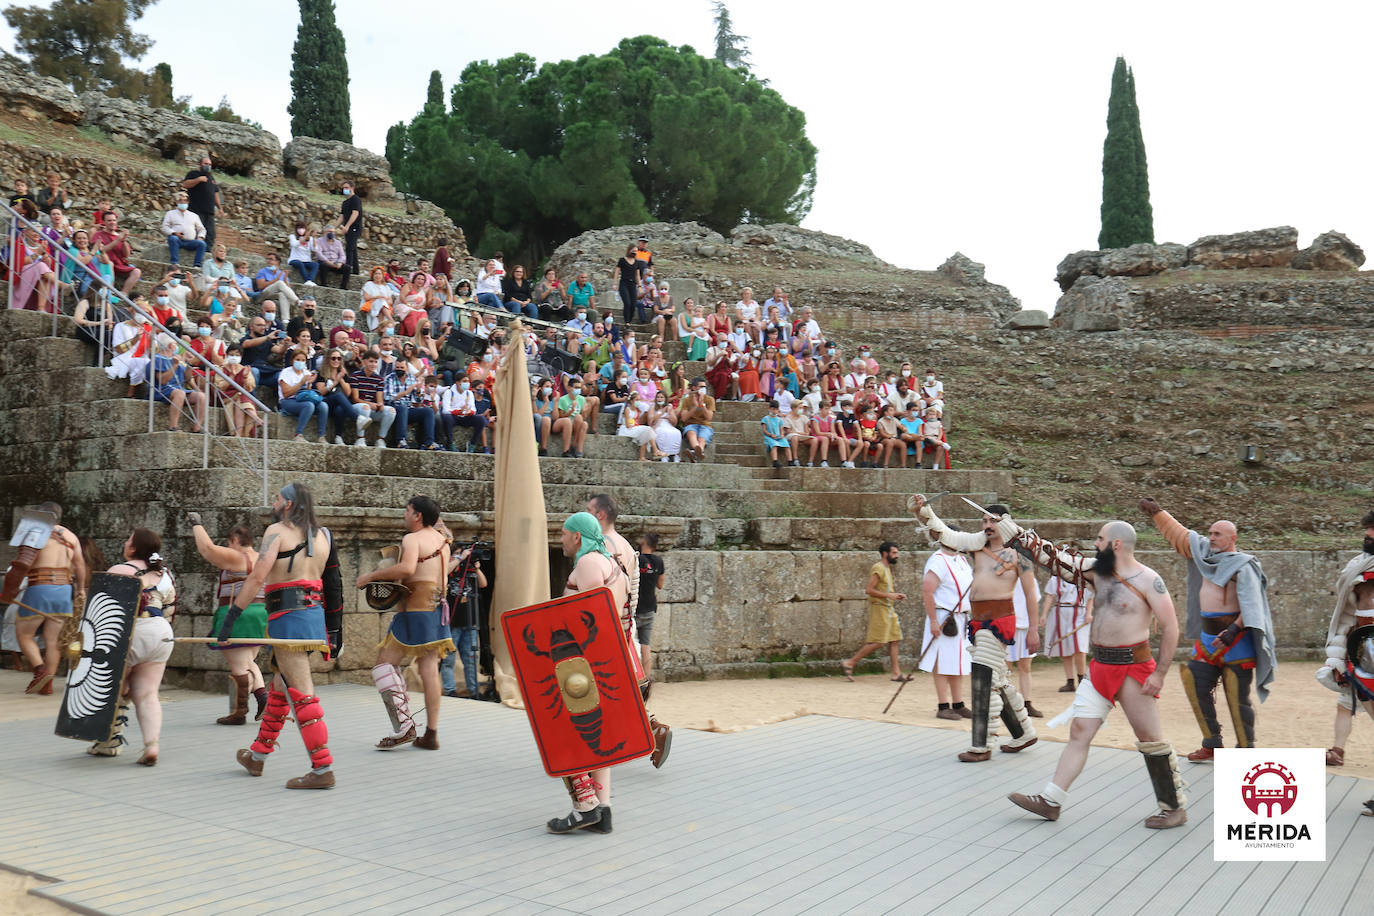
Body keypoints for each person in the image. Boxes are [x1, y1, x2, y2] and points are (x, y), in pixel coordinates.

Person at [1003, 516, 1187, 830]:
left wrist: (1160, 674)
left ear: (1116, 544)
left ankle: (1173, 807)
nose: (1095, 544)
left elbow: (1170, 628)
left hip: (1133, 668)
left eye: (1100, 540)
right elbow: (1058, 560)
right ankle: (1051, 801)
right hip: (1100, 666)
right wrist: (1020, 536)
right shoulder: (1096, 574)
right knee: (1079, 732)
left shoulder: (1148, 579)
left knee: (1150, 740)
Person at [221, 482, 341, 788]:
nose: (274, 502)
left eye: (277, 498)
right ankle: (257, 756)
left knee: (302, 692)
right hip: (313, 619)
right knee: (280, 687)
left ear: (288, 504)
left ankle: (322, 767)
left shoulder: (277, 531)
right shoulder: (324, 535)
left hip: (289, 620)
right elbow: (332, 583)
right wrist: (335, 629)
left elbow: (258, 576)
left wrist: (232, 615)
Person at [1141, 498, 1277, 761]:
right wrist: (1158, 513)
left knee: (1238, 699)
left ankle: (1245, 751)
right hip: (1206, 638)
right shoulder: (1203, 554)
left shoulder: (1243, 565)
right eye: (1211, 533)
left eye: (1218, 534)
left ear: (1232, 538)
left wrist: (1232, 632)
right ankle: (1212, 743)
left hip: (1236, 641)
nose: (1212, 537)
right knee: (1195, 684)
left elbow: (1253, 605)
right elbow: (1181, 535)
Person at [910, 495, 1038, 761]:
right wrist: (924, 510)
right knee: (996, 679)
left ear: (1006, 523)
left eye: (992, 520)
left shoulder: (1019, 555)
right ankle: (1024, 731)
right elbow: (945, 534)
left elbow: (1030, 596)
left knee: (983, 679)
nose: (987, 524)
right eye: (984, 520)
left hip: (1000, 619)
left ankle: (982, 745)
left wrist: (1034, 629)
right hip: (977, 620)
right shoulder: (977, 546)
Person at [547, 512, 631, 834]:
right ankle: (603, 808)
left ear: (577, 537)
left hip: (585, 665)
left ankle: (584, 806)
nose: (561, 539)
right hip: (610, 661)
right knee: (601, 739)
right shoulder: (614, 564)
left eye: (564, 534)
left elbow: (593, 616)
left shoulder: (587, 564)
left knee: (563, 729)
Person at [357, 496, 453, 750]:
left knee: (383, 665)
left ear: (417, 515)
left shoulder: (412, 539)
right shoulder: (443, 540)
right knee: (430, 669)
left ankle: (404, 728)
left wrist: (371, 576)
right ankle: (431, 733)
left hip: (414, 611)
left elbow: (407, 568)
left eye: (407, 510)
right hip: (437, 610)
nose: (404, 514)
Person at [587, 494, 671, 768]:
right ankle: (650, 729)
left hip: (605, 630)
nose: (586, 514)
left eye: (589, 510)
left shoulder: (603, 546)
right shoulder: (624, 544)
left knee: (595, 691)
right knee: (616, 692)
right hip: (622, 626)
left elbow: (605, 594)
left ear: (600, 515)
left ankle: (600, 748)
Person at [102, 528, 177, 766]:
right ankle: (151, 746)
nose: (125, 542)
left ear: (133, 548)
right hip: (161, 632)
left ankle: (109, 742)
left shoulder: (120, 570)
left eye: (128, 539)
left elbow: (104, 609)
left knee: (115, 688)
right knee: (147, 695)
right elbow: (170, 608)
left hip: (134, 629)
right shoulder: (164, 574)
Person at [189, 514, 269, 725]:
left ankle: (239, 711)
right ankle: (262, 700)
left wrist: (197, 524)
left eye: (229, 543)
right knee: (248, 662)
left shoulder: (237, 557)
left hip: (238, 614)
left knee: (239, 666)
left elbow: (207, 549)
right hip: (260, 614)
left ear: (234, 540)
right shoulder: (261, 557)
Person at [1316, 510, 1374, 768]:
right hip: (1362, 646)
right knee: (1345, 700)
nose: (1368, 535)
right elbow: (1347, 616)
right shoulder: (1356, 567)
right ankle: (1337, 750)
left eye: (1373, 531)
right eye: (1367, 531)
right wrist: (1338, 660)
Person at [9, 503, 86, 695]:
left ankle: (40, 670)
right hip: (64, 590)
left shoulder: (36, 532)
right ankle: (47, 685)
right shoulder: (70, 536)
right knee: (53, 641)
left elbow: (23, 565)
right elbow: (80, 565)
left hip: (40, 588)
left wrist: (10, 589)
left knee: (24, 634)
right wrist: (81, 589)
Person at [921, 530, 974, 719]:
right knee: (942, 661)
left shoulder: (962, 560)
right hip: (944, 617)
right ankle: (943, 706)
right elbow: (928, 591)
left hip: (961, 617)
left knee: (958, 661)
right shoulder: (937, 560)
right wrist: (934, 621)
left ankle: (958, 704)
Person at [842, 542, 909, 681]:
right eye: (894, 553)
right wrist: (890, 595)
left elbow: (884, 589)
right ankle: (850, 662)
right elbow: (869, 590)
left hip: (888, 609)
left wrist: (895, 595)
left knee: (895, 639)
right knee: (878, 642)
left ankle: (896, 673)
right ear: (886, 553)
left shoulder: (886, 568)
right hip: (880, 608)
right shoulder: (878, 568)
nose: (897, 555)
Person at [441, 542, 487, 699]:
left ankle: (474, 691)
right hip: (452, 623)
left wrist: (477, 568)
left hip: (470, 623)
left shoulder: (469, 571)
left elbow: (483, 584)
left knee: (471, 659)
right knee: (448, 660)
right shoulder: (449, 569)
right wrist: (460, 558)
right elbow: (445, 572)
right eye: (458, 553)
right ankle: (450, 690)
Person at [1042, 557, 1093, 694]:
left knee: (1079, 648)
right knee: (1064, 649)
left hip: (1080, 614)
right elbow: (1050, 596)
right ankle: (1070, 682)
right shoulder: (1056, 578)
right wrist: (1044, 615)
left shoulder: (1085, 578)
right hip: (1061, 613)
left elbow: (1091, 598)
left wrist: (1089, 614)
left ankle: (1082, 680)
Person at [148, 335, 207, 433]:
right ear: (170, 345)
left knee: (201, 396)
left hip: (178, 389)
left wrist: (189, 364)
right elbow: (163, 381)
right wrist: (175, 365)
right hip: (160, 390)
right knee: (180, 393)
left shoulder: (176, 359)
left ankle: (197, 427)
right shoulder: (157, 359)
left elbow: (187, 378)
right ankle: (173, 426)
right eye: (176, 344)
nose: (177, 347)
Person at [348, 350, 396, 448]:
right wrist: (370, 405)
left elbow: (379, 399)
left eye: (375, 362)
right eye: (370, 361)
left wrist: (380, 404)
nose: (373, 364)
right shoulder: (356, 376)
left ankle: (381, 439)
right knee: (365, 407)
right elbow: (355, 399)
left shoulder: (379, 379)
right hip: (358, 407)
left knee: (391, 411)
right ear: (364, 361)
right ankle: (360, 438)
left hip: (372, 408)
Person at [278, 349, 328, 442]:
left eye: (303, 360)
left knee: (323, 406)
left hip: (303, 398)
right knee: (309, 405)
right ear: (292, 360)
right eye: (298, 360)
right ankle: (298, 434)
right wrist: (301, 382)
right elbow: (286, 394)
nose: (300, 362)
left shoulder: (306, 373)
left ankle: (322, 436)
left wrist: (309, 384)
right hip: (288, 401)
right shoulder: (285, 372)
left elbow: (308, 393)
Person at [91, 212, 141, 295]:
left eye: (114, 220)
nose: (112, 222)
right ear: (104, 222)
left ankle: (124, 293)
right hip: (105, 263)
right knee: (110, 264)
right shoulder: (98, 235)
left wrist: (124, 240)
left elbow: (126, 255)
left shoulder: (119, 235)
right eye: (109, 220)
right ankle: (110, 291)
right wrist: (117, 240)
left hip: (120, 264)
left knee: (137, 272)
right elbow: (101, 250)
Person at [637, 533, 665, 679]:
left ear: (643, 542)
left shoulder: (636, 559)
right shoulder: (659, 561)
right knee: (645, 644)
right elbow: (660, 585)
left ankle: (633, 675)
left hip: (634, 608)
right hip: (649, 607)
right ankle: (647, 677)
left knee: (629, 644)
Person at [182, 155, 222, 249]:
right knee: (195, 231)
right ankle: (192, 250)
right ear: (200, 164)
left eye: (209, 164)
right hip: (196, 210)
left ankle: (208, 252)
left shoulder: (211, 178)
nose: (208, 166)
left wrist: (220, 208)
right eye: (205, 164)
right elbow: (185, 184)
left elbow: (215, 193)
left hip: (209, 211)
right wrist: (198, 179)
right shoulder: (193, 174)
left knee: (210, 233)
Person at [161, 192, 207, 268]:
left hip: (190, 242)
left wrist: (200, 237)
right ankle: (175, 263)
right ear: (176, 202)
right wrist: (174, 233)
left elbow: (202, 229)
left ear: (188, 202)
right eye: (180, 200)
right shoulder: (170, 213)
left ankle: (197, 265)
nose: (183, 202)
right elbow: (164, 227)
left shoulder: (194, 216)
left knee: (202, 244)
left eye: (185, 200)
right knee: (172, 238)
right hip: (177, 240)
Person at [254, 252, 299, 319]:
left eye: (271, 259)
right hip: (263, 294)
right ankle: (297, 302)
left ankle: (285, 319)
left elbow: (288, 290)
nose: (268, 261)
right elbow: (260, 286)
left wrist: (285, 279)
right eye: (267, 259)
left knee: (282, 294)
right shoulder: (262, 271)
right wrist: (276, 280)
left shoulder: (282, 273)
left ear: (277, 262)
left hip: (274, 296)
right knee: (279, 283)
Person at [679, 378, 715, 462]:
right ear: (694, 388)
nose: (703, 389)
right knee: (691, 433)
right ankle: (698, 451)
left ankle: (695, 452)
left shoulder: (710, 400)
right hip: (690, 424)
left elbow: (709, 417)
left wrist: (702, 404)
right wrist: (695, 407)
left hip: (705, 425)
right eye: (701, 386)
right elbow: (684, 418)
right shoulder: (687, 400)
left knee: (702, 438)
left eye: (705, 387)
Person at [338, 180, 363, 281]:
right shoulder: (345, 202)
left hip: (354, 227)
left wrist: (347, 226)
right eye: (344, 188)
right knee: (353, 249)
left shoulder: (355, 199)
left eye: (347, 188)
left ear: (352, 188)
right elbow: (342, 217)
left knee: (349, 248)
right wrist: (332, 227)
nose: (345, 190)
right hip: (348, 229)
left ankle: (347, 270)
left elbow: (355, 213)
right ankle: (356, 270)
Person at [612, 245, 640, 324]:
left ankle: (630, 320)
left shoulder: (637, 262)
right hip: (624, 283)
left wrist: (640, 285)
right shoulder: (622, 260)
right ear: (629, 250)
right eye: (633, 250)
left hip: (633, 284)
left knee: (633, 303)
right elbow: (617, 272)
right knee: (627, 302)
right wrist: (615, 283)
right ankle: (627, 321)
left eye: (636, 251)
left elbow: (637, 275)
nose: (634, 252)